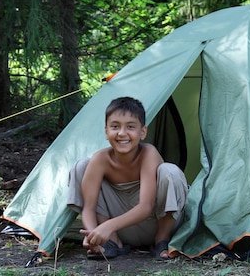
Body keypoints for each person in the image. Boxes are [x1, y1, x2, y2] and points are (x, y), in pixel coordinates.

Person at [67, 96, 188, 260]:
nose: (122, 133)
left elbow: (146, 206)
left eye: (130, 127)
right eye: (115, 126)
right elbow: (89, 208)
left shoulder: (148, 154)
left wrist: (108, 226)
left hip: (154, 222)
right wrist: (93, 234)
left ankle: (162, 241)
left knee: (170, 171)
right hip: (116, 230)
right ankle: (112, 243)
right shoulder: (101, 159)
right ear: (106, 131)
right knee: (82, 165)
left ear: (143, 132)